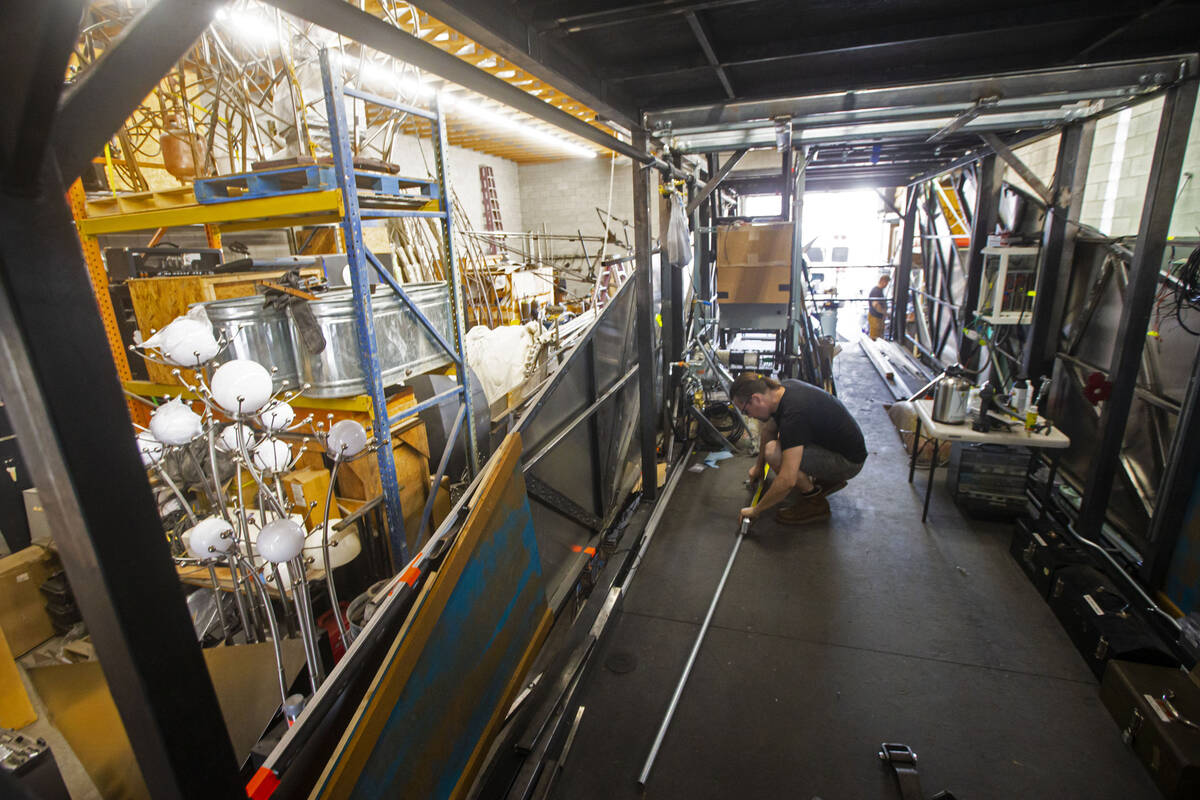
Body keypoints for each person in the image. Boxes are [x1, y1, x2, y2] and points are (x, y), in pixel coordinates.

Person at [731, 372, 868, 526]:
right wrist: (759, 467)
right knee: (777, 445)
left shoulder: (793, 415)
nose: (749, 417)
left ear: (756, 399)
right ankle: (824, 479)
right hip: (840, 447)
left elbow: (788, 480)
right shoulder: (783, 390)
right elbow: (768, 430)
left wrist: (756, 510)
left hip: (848, 463)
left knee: (774, 453)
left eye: (745, 411)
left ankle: (815, 502)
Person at [867, 273, 891, 340]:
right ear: (883, 281)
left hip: (878, 318)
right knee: (874, 337)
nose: (886, 285)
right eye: (886, 282)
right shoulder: (876, 291)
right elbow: (876, 305)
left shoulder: (879, 291)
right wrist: (884, 312)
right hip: (875, 317)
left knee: (879, 336)